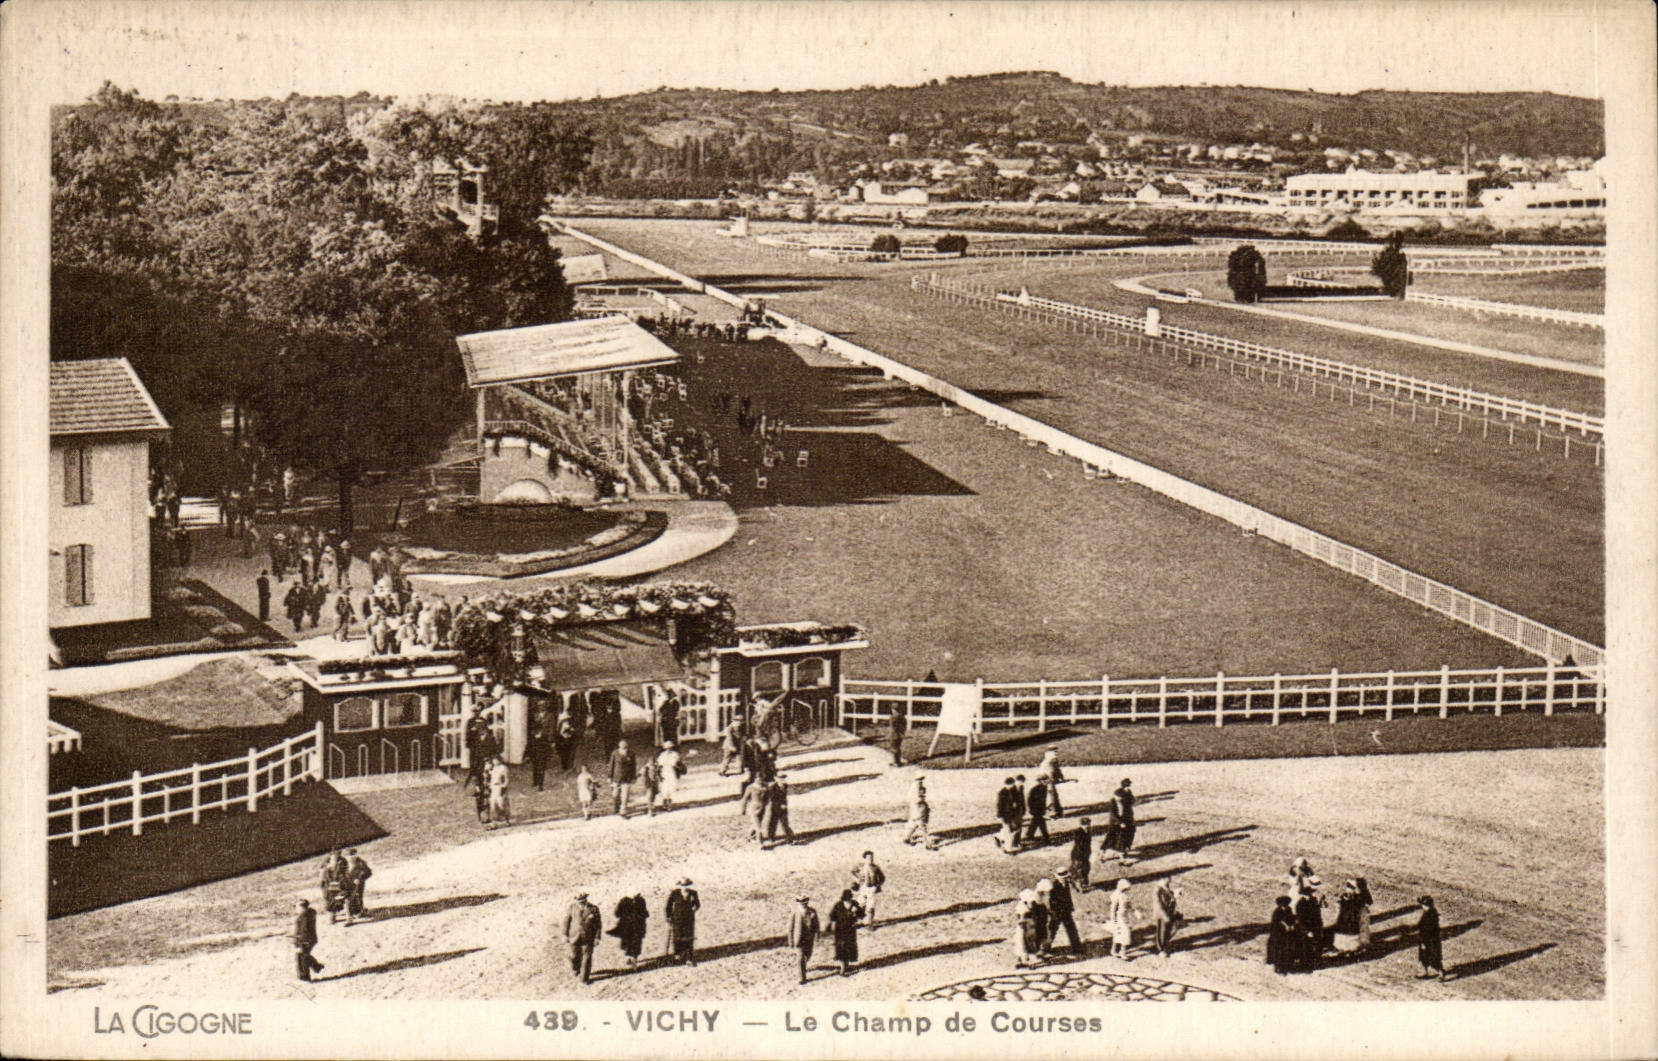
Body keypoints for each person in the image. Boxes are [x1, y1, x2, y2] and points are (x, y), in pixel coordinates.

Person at [564, 892, 603, 984]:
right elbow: (566, 922)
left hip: (588, 937)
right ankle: (575, 968)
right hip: (574, 936)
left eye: (582, 901)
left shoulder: (593, 909)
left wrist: (597, 938)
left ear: (586, 899)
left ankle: (584, 978)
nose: (580, 902)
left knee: (587, 958)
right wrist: (564, 934)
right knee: (573, 956)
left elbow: (598, 925)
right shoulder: (571, 907)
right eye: (578, 901)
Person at [1047, 869, 1084, 955]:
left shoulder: (1066, 884)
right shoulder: (1054, 886)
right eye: (1065, 877)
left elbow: (1068, 897)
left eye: (1067, 877)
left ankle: (1077, 948)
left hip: (1066, 911)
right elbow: (1052, 901)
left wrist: (1070, 907)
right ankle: (1046, 948)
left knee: (1071, 929)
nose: (1066, 879)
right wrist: (1055, 911)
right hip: (1057, 912)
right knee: (1052, 930)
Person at [827, 889, 863, 976]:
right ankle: (842, 970)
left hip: (851, 930)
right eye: (847, 899)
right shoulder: (838, 905)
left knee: (849, 947)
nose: (848, 900)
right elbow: (832, 916)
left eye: (849, 898)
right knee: (842, 948)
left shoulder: (855, 904)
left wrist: (856, 914)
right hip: (840, 931)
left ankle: (846, 966)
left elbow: (862, 915)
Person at [608, 893, 649, 969]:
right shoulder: (640, 900)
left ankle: (629, 958)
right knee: (635, 943)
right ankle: (633, 960)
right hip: (636, 927)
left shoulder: (624, 900)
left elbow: (617, 913)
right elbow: (645, 913)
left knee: (628, 942)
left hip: (627, 927)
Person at [665, 879, 701, 965]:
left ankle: (689, 958)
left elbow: (698, 904)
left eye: (686, 885)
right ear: (680, 886)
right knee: (677, 937)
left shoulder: (693, 893)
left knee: (689, 938)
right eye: (683, 886)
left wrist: (694, 908)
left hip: (689, 919)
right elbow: (668, 906)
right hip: (677, 918)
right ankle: (677, 954)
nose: (685, 887)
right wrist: (669, 916)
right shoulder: (675, 893)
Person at [788, 895, 821, 984]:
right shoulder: (795, 912)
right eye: (801, 903)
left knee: (808, 955)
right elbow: (790, 928)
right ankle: (802, 978)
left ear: (807, 903)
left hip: (809, 939)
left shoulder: (812, 912)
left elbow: (817, 925)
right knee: (800, 958)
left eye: (805, 903)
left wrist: (817, 935)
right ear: (798, 903)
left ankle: (803, 965)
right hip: (798, 939)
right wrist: (790, 941)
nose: (803, 905)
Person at [1331, 879, 1367, 956]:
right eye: (1349, 887)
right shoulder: (1344, 897)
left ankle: (1351, 948)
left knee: (1351, 932)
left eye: (1352, 888)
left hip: (1352, 919)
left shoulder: (1358, 899)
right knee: (1342, 931)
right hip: (1344, 918)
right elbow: (1339, 905)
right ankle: (1341, 948)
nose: (1349, 890)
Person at [1293, 885, 1325, 971]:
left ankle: (1315, 963)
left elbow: (1318, 914)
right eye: (1307, 894)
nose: (1309, 895)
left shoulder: (1314, 901)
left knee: (1316, 945)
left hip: (1315, 927)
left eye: (1310, 893)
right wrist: (1307, 931)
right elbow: (1300, 920)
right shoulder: (1300, 905)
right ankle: (1305, 965)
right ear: (1303, 895)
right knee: (1305, 947)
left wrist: (1319, 926)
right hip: (1305, 930)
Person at [292, 899, 325, 982]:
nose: (295, 909)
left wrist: (300, 943)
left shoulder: (303, 917)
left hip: (305, 940)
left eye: (296, 907)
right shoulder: (309, 914)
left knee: (301, 957)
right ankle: (317, 966)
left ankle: (304, 977)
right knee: (305, 955)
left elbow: (304, 931)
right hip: (311, 939)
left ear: (301, 907)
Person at [851, 851, 886, 928]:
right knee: (859, 904)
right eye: (868, 858)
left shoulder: (875, 868)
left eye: (871, 857)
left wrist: (877, 886)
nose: (870, 859)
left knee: (870, 906)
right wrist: (857, 880)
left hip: (872, 889)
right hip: (863, 888)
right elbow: (853, 872)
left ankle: (869, 924)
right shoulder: (860, 867)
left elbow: (882, 878)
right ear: (864, 858)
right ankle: (856, 922)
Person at [903, 773, 937, 849]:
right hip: (918, 812)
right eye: (920, 779)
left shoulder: (916, 787)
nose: (921, 780)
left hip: (916, 812)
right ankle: (929, 845)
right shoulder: (915, 788)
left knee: (913, 825)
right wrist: (922, 800)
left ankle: (906, 838)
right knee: (923, 829)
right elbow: (917, 800)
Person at [1415, 895, 1445, 981]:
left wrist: (1424, 942)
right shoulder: (1431, 913)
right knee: (1424, 957)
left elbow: (1427, 931)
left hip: (1429, 941)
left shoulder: (1429, 916)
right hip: (1430, 941)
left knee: (1433, 958)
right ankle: (1426, 972)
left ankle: (1441, 973)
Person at [1035, 747, 1069, 818]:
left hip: (1050, 781)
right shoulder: (1046, 763)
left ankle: (1056, 810)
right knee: (1051, 796)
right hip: (1045, 781)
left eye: (1056, 753)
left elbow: (1057, 770)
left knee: (1053, 795)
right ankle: (1053, 812)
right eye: (1054, 753)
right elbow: (1047, 775)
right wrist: (1054, 780)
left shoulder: (1054, 761)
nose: (1056, 755)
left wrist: (1061, 777)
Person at [1015, 889, 1045, 968]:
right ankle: (1024, 960)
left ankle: (1024, 959)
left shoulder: (1031, 909)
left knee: (1029, 943)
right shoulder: (1023, 910)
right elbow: (1021, 921)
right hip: (1025, 929)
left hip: (1030, 929)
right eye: (1031, 903)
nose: (1033, 904)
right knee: (1023, 944)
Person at [1267, 895, 1297, 975]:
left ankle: (1287, 967)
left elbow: (1291, 919)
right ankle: (1279, 968)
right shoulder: (1277, 912)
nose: (1286, 905)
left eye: (1287, 904)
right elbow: (1277, 921)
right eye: (1284, 904)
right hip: (1278, 934)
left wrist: (1292, 925)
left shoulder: (1289, 910)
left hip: (1287, 933)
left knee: (1288, 950)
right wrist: (1286, 925)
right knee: (1279, 951)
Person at [608, 739, 637, 819]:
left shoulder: (631, 754)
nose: (623, 747)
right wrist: (609, 776)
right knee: (615, 794)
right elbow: (611, 765)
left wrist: (634, 777)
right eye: (622, 746)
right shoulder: (615, 753)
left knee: (625, 795)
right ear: (619, 746)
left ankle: (623, 811)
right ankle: (616, 807)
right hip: (616, 778)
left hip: (627, 778)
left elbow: (633, 766)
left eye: (625, 746)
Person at [1108, 879, 1137, 960]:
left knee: (1119, 933)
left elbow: (1129, 905)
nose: (1126, 890)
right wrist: (1113, 919)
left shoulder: (1125, 896)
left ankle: (1114, 950)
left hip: (1125, 916)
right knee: (1124, 933)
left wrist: (1135, 912)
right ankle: (1122, 952)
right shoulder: (1116, 896)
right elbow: (1113, 908)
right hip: (1119, 918)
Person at [1110, 779, 1137, 863]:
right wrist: (1120, 822)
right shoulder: (1116, 800)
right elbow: (1114, 814)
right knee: (1121, 837)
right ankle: (1121, 855)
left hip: (1128, 817)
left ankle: (1125, 849)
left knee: (1131, 832)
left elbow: (1132, 801)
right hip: (1120, 821)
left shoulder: (1128, 792)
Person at [995, 777, 1024, 855]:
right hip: (1004, 815)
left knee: (1008, 830)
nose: (1011, 786)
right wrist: (999, 816)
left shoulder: (1012, 791)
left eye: (1012, 785)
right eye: (1010, 785)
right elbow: (999, 806)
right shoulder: (1002, 793)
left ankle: (999, 837)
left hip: (1011, 814)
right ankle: (1008, 849)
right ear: (1006, 784)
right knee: (1008, 831)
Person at [1153, 878, 1181, 956]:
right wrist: (1163, 915)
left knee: (1173, 928)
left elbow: (1169, 897)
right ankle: (1160, 949)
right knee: (1162, 931)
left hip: (1170, 912)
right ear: (1162, 879)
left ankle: (1164, 945)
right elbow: (1158, 904)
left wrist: (1175, 894)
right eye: (1168, 879)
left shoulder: (1166, 887)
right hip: (1162, 914)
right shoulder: (1158, 889)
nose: (1170, 880)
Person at [319, 849, 348, 924]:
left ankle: (342, 913)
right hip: (328, 884)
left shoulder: (343, 861)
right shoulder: (326, 863)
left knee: (339, 899)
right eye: (335, 853)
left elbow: (345, 872)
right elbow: (322, 876)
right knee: (329, 900)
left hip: (338, 883)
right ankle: (332, 916)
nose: (337, 854)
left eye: (339, 853)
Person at [345, 849, 373, 925]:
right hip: (347, 884)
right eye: (349, 856)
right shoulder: (343, 864)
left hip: (359, 884)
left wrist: (360, 878)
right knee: (348, 899)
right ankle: (349, 918)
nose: (351, 858)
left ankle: (359, 912)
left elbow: (369, 872)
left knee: (359, 897)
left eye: (353, 855)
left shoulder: (361, 863)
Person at [527, 709, 552, 791]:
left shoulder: (544, 737)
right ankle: (535, 781)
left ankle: (540, 784)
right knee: (535, 767)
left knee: (541, 768)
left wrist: (548, 755)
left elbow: (548, 747)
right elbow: (529, 745)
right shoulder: (533, 737)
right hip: (534, 752)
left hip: (542, 752)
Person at [740, 774, 769, 844]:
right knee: (758, 827)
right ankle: (759, 843)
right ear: (755, 779)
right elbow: (744, 799)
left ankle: (749, 836)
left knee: (756, 824)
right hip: (754, 809)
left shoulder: (765, 786)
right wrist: (743, 809)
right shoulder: (750, 787)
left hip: (762, 809)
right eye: (758, 779)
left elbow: (767, 797)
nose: (760, 780)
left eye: (761, 779)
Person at [655, 741, 684, 811]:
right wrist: (659, 773)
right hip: (664, 772)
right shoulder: (662, 755)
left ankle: (669, 804)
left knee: (671, 788)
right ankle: (665, 803)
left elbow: (678, 764)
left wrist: (678, 768)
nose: (669, 749)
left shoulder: (675, 754)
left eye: (670, 748)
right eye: (667, 748)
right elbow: (659, 765)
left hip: (672, 772)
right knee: (665, 788)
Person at [1024, 777, 1052, 847]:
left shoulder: (1045, 788)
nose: (1047, 782)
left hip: (1040, 809)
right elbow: (1030, 800)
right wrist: (1032, 809)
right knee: (1041, 822)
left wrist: (1046, 807)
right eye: (1045, 780)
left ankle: (1029, 835)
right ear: (1041, 781)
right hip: (1035, 809)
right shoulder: (1035, 789)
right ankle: (1046, 838)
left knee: (1036, 822)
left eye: (1047, 781)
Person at [486, 755, 512, 828]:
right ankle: (494, 821)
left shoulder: (503, 768)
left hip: (499, 786)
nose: (494, 761)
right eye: (493, 760)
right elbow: (490, 776)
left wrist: (504, 787)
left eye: (496, 760)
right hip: (493, 787)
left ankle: (506, 820)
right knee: (493, 804)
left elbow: (507, 779)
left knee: (502, 804)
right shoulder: (493, 768)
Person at [1068, 818, 1093, 890]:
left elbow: (1088, 843)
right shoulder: (1078, 831)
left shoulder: (1088, 831)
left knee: (1086, 868)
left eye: (1088, 824)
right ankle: (1079, 884)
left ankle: (1084, 883)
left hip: (1085, 853)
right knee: (1079, 869)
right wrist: (1081, 854)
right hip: (1078, 854)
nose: (1087, 826)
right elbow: (1079, 844)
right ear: (1081, 824)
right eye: (1085, 824)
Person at [886, 703, 907, 767]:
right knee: (897, 747)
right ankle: (898, 761)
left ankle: (896, 762)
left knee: (894, 748)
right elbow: (904, 725)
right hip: (900, 734)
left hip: (894, 734)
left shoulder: (893, 717)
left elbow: (893, 726)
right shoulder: (902, 716)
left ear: (893, 709)